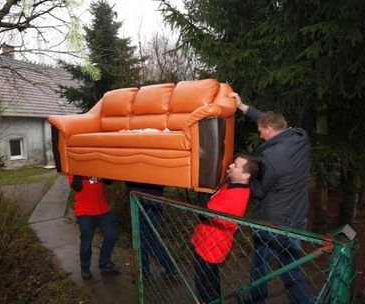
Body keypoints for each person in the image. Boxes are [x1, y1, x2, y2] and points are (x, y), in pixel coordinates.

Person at [230, 92, 313, 304]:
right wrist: (243, 107)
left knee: (260, 267)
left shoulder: (270, 159)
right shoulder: (300, 138)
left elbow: (259, 191)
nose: (260, 135)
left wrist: (245, 179)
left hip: (272, 223)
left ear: (269, 130)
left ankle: (257, 301)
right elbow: (266, 119)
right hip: (297, 217)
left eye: (261, 132)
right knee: (291, 271)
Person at [191, 155, 259, 304]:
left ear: (245, 175)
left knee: (206, 285)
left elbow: (204, 213)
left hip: (211, 246)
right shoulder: (232, 185)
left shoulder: (236, 195)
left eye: (235, 165)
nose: (230, 166)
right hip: (205, 240)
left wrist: (201, 190)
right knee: (207, 281)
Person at [70, 175, 120, 279]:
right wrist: (77, 177)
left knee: (112, 235)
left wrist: (107, 174)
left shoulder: (98, 164)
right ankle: (85, 267)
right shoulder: (75, 166)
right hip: (84, 211)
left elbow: (109, 181)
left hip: (103, 208)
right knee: (86, 242)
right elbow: (76, 187)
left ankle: (104, 262)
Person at [126, 182, 178, 278]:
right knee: (144, 238)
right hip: (139, 199)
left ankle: (146, 271)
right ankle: (145, 270)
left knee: (145, 239)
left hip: (150, 200)